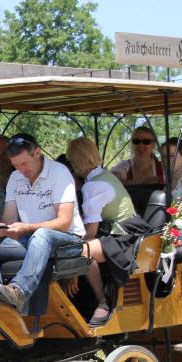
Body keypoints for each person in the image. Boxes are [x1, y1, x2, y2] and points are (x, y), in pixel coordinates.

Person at [0, 133, 84, 316]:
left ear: (37, 153)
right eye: (16, 165)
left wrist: (27, 228)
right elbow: (8, 219)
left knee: (41, 234)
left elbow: (64, 222)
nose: (21, 170)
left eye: (24, 163)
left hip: (68, 241)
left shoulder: (59, 173)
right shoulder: (15, 178)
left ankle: (19, 291)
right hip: (32, 240)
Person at [64, 137, 138, 327]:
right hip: (130, 231)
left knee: (82, 250)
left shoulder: (93, 186)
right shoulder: (105, 175)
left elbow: (90, 232)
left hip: (123, 237)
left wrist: (74, 268)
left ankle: (103, 301)